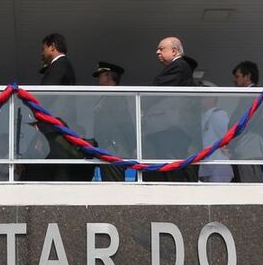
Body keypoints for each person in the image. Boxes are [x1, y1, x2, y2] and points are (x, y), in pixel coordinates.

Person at [24, 32, 91, 181]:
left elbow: (47, 92)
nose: (42, 52)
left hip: (57, 123)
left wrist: (33, 107)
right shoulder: (61, 65)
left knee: (59, 162)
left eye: (44, 48)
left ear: (52, 47)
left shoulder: (60, 64)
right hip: (55, 123)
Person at [143, 37, 196, 182]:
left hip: (171, 128)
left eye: (161, 49)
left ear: (174, 51)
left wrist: (145, 101)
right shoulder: (176, 67)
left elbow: (159, 89)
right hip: (167, 127)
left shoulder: (179, 66)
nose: (157, 52)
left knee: (170, 166)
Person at [226, 61, 263, 183]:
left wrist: (231, 142)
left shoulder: (253, 94)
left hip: (249, 146)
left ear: (248, 76)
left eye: (238, 76)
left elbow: (243, 121)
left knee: (250, 183)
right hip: (245, 145)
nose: (235, 80)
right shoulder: (249, 95)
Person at [90, 61, 131, 182]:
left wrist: (132, 145)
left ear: (108, 76)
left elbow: (125, 122)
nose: (98, 79)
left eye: (101, 75)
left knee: (114, 185)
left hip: (114, 148)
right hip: (106, 148)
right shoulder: (106, 97)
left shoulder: (116, 96)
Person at [196, 84, 233, 183]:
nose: (200, 101)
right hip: (209, 163)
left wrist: (228, 151)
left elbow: (228, 137)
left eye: (203, 98)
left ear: (212, 98)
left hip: (218, 163)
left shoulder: (218, 115)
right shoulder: (204, 116)